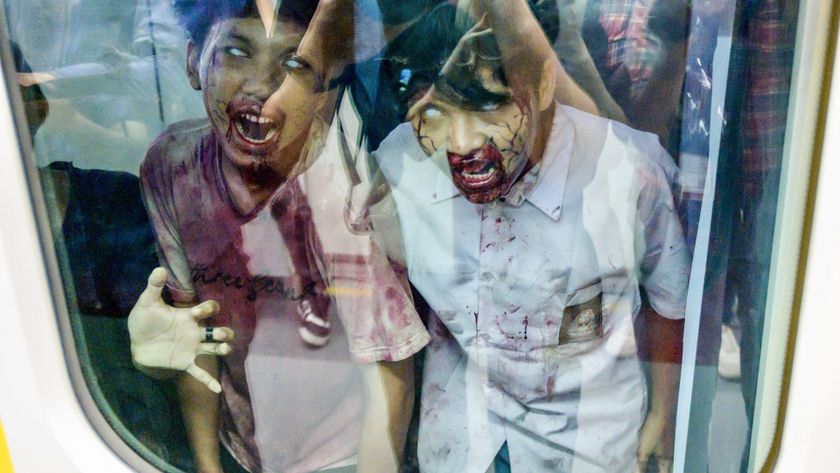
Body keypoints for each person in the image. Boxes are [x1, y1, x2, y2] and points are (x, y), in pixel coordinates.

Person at [371, 1, 690, 471]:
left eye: (485, 106)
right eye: (435, 113)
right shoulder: (399, 169)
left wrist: (665, 412)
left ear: (541, 85)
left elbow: (670, 298)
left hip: (585, 444)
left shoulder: (625, 173)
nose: (461, 144)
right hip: (462, 440)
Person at [128, 1, 429, 472]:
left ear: (325, 94)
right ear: (193, 63)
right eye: (235, 52)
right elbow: (193, 336)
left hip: (344, 455)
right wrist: (209, 467)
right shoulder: (172, 168)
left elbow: (390, 375)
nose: (263, 86)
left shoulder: (337, 188)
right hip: (245, 448)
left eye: (293, 64)